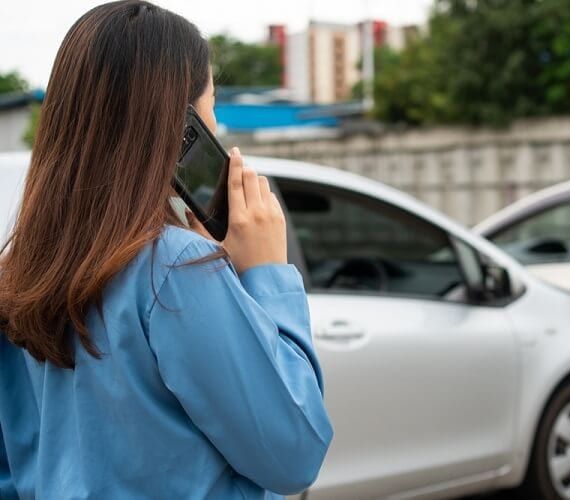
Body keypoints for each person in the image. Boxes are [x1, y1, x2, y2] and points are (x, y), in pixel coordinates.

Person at [0, 1, 333, 498]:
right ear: (179, 127)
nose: (216, 124)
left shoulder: (19, 272)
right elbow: (295, 453)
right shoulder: (175, 269)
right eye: (212, 103)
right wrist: (268, 273)